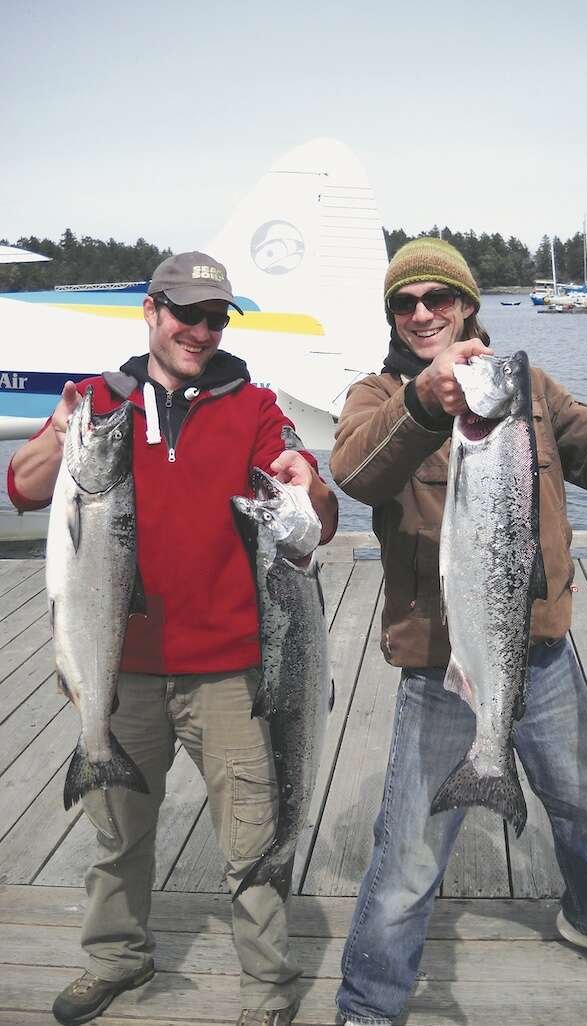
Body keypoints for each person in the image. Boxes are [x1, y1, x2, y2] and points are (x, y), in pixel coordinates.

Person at [328, 238, 587, 1026]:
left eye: (440, 298)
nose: (424, 313)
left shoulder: (526, 386)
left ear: (469, 304)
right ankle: (369, 1006)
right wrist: (424, 405)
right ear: (394, 319)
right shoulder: (377, 396)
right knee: (408, 853)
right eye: (406, 303)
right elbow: (355, 473)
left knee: (581, 806)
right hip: (440, 664)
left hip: (543, 650)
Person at [8, 251, 338, 1026]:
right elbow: (23, 487)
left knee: (252, 841)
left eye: (214, 317)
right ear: (151, 312)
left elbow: (315, 523)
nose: (200, 329)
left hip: (231, 673)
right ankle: (115, 958)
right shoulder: (96, 400)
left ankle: (268, 983)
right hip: (118, 670)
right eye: (185, 313)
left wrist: (307, 477)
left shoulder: (255, 405)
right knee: (117, 833)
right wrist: (62, 431)